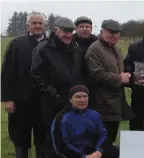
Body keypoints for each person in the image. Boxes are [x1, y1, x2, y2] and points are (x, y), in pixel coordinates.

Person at [30, 17, 84, 158]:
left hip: (72, 104)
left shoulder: (75, 49)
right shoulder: (43, 49)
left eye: (71, 31)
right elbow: (36, 76)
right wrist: (54, 95)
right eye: (65, 31)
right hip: (52, 105)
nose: (68, 35)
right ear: (55, 30)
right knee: (52, 142)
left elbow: (78, 74)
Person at [84, 19, 134, 156]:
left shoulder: (116, 49)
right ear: (101, 32)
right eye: (111, 33)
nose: (115, 36)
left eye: (117, 33)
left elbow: (119, 71)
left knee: (109, 140)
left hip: (115, 105)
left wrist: (130, 77)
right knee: (101, 144)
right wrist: (119, 78)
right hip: (102, 106)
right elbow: (97, 75)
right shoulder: (94, 50)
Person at [1, 12, 46, 158]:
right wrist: (8, 98)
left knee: (43, 139)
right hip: (21, 101)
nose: (37, 26)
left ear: (44, 25)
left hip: (44, 102)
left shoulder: (51, 44)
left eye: (40, 23)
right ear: (28, 26)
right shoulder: (17, 44)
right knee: (20, 139)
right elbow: (7, 72)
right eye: (34, 23)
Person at [51, 85, 110, 158]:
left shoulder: (95, 115)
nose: (82, 100)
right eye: (78, 97)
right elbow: (60, 145)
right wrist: (84, 157)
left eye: (85, 96)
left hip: (95, 154)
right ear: (70, 99)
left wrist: (99, 151)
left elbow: (104, 134)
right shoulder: (62, 118)